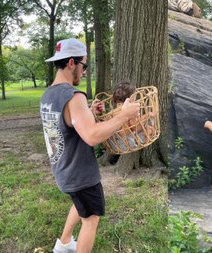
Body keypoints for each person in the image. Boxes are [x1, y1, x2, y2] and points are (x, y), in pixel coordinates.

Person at [40, 38, 140, 253]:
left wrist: (89, 114)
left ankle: (64, 243)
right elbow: (93, 136)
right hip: (80, 174)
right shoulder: (73, 96)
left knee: (80, 205)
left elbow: (65, 124)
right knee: (91, 219)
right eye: (84, 66)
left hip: (63, 169)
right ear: (71, 64)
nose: (84, 71)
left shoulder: (49, 94)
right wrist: (124, 115)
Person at [107, 81, 156, 152]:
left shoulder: (114, 111)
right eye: (134, 96)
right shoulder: (129, 111)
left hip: (114, 144)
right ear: (131, 98)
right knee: (150, 129)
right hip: (127, 143)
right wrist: (147, 116)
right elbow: (136, 127)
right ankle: (146, 140)